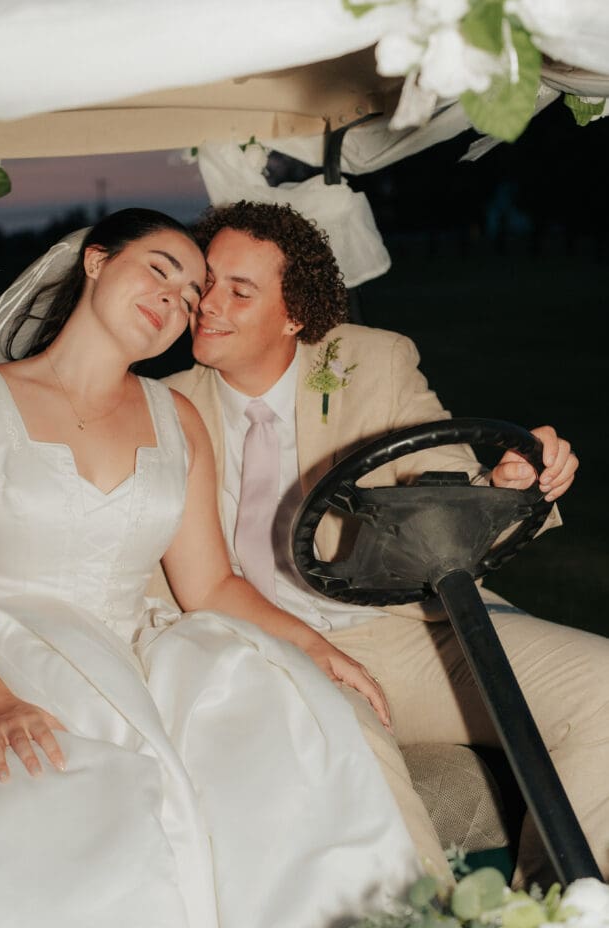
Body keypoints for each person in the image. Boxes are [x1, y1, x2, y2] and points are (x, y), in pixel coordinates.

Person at [0, 208, 421, 928]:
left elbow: (210, 585)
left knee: (283, 738)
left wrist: (316, 647)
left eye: (192, 296)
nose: (177, 300)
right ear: (97, 262)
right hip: (3, 659)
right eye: (160, 270)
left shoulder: (175, 417)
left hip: (141, 647)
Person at [155, 200, 608, 888]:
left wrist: (511, 481)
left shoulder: (371, 360)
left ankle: (552, 902)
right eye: (205, 281)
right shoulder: (163, 402)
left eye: (239, 290)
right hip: (259, 648)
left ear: (294, 314)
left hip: (395, 630)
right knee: (350, 747)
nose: (207, 304)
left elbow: (441, 473)